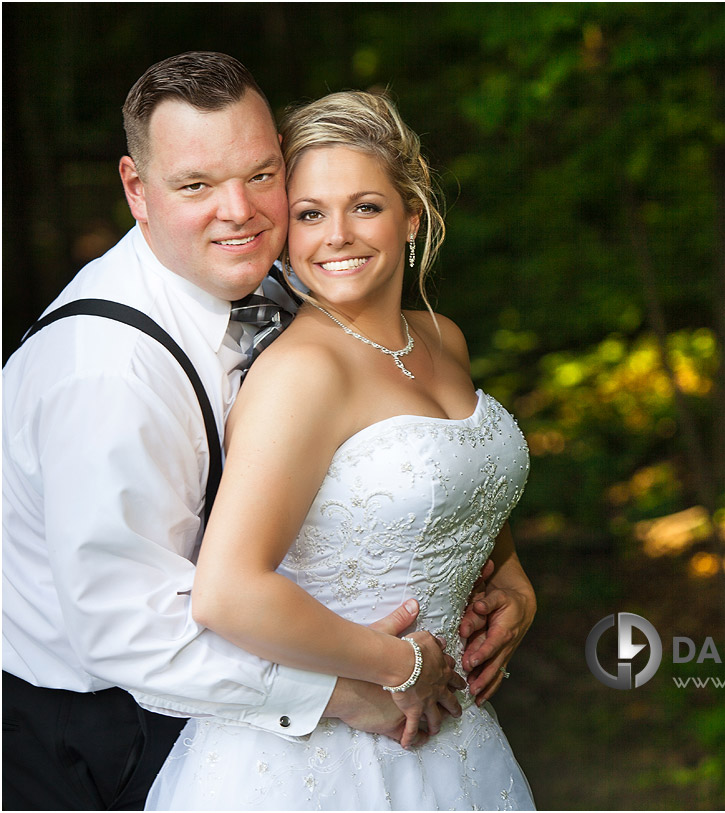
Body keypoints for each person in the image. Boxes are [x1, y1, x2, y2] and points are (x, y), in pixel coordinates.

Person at [2, 52, 534, 811]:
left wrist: (506, 578)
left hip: (302, 691)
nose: (240, 210)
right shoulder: (104, 374)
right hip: (90, 733)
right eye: (196, 185)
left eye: (260, 175)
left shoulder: (291, 279)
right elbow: (133, 630)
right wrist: (355, 688)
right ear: (136, 190)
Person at [143, 89, 535, 810]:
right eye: (310, 214)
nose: (337, 236)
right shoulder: (302, 372)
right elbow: (227, 591)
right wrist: (399, 661)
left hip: (461, 740)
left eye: (366, 206)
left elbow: (463, 497)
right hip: (327, 758)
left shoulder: (443, 338)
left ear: (411, 215)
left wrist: (514, 583)